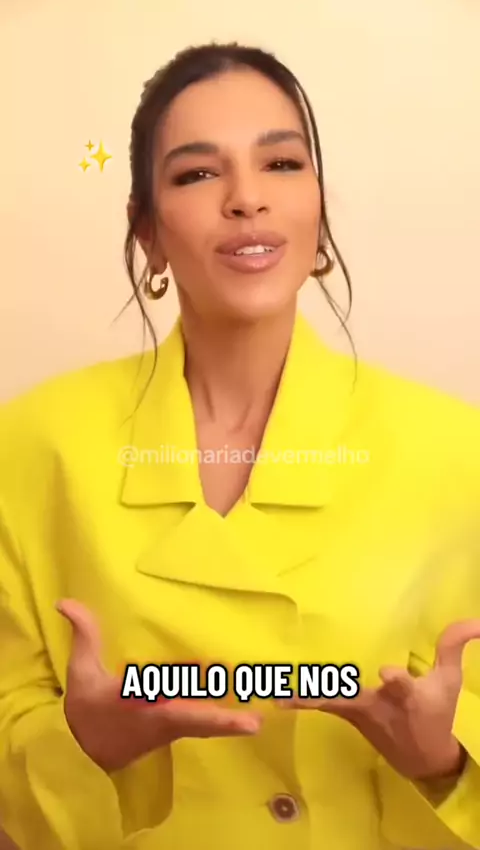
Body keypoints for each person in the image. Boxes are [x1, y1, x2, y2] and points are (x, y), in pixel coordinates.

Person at [0, 42, 479, 850]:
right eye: (197, 173)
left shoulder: (458, 451)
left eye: (282, 163)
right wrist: (84, 747)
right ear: (147, 231)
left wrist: (443, 763)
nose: (247, 199)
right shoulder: (29, 447)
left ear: (318, 207)